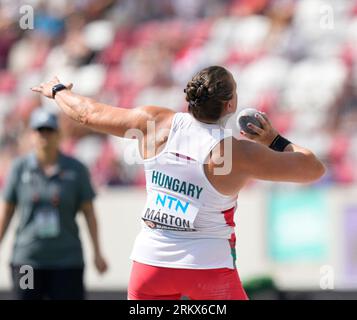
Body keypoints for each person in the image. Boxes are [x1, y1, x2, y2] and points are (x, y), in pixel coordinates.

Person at [30, 66, 325, 300]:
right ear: (231, 103)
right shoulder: (237, 152)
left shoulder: (154, 121)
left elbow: (87, 113)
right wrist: (274, 140)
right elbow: (312, 169)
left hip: (149, 266)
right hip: (208, 269)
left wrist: (58, 91)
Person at [0, 109, 108, 300]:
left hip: (67, 260)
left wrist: (97, 253)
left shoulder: (76, 169)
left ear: (59, 135)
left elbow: (89, 213)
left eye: (49, 131)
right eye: (40, 131)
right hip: (28, 261)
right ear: (32, 135)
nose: (45, 136)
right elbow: (6, 212)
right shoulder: (20, 168)